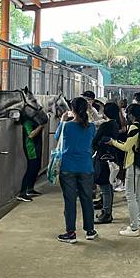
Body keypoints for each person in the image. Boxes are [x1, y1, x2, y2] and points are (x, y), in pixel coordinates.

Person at [55, 97, 98, 243]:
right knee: (87, 199)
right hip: (86, 166)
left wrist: (62, 119)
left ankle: (71, 233)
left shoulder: (66, 126)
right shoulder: (91, 127)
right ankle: (90, 230)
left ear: (72, 109)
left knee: (70, 200)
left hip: (68, 167)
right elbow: (93, 139)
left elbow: (57, 137)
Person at [108, 104, 140, 237]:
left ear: (132, 115)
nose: (126, 116)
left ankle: (134, 227)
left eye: (128, 114)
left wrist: (113, 142)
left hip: (132, 164)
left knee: (131, 196)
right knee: (138, 196)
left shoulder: (134, 127)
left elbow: (126, 147)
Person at [92, 102, 120, 224]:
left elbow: (95, 141)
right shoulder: (115, 124)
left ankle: (107, 213)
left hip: (103, 159)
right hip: (111, 158)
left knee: (105, 186)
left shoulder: (106, 125)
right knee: (108, 185)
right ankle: (106, 211)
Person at [17, 110, 46, 202]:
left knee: (37, 167)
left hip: (36, 146)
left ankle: (30, 189)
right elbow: (31, 135)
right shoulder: (26, 122)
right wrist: (41, 126)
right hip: (31, 148)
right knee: (31, 168)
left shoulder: (33, 120)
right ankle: (22, 193)